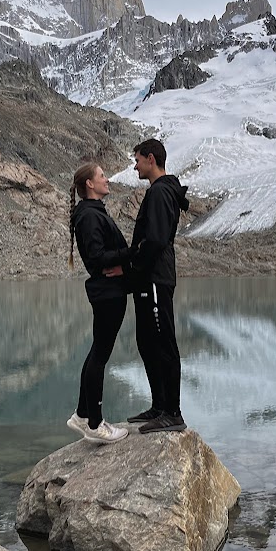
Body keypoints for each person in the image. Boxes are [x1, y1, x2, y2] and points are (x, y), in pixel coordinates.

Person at [118, 138, 189, 433]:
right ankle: (159, 405)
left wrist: (135, 266)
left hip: (156, 277)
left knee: (162, 342)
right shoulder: (159, 191)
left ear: (150, 159)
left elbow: (157, 240)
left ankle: (172, 412)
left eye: (137, 160)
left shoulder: (160, 192)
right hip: (151, 279)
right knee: (147, 342)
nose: (134, 165)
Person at [67, 162, 130, 444]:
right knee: (100, 355)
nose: (107, 180)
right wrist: (129, 254)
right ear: (90, 184)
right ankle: (95, 423)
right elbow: (96, 257)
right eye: (102, 176)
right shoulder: (90, 216)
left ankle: (83, 415)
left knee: (97, 352)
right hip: (107, 292)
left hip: (108, 291)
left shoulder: (91, 212)